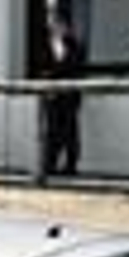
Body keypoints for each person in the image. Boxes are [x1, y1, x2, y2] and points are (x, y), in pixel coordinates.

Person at [38, 19, 86, 177]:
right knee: (53, 131)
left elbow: (72, 66)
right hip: (54, 95)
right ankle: (50, 164)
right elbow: (45, 67)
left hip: (70, 95)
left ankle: (71, 165)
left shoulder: (74, 45)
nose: (56, 31)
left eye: (59, 27)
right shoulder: (49, 45)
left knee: (70, 131)